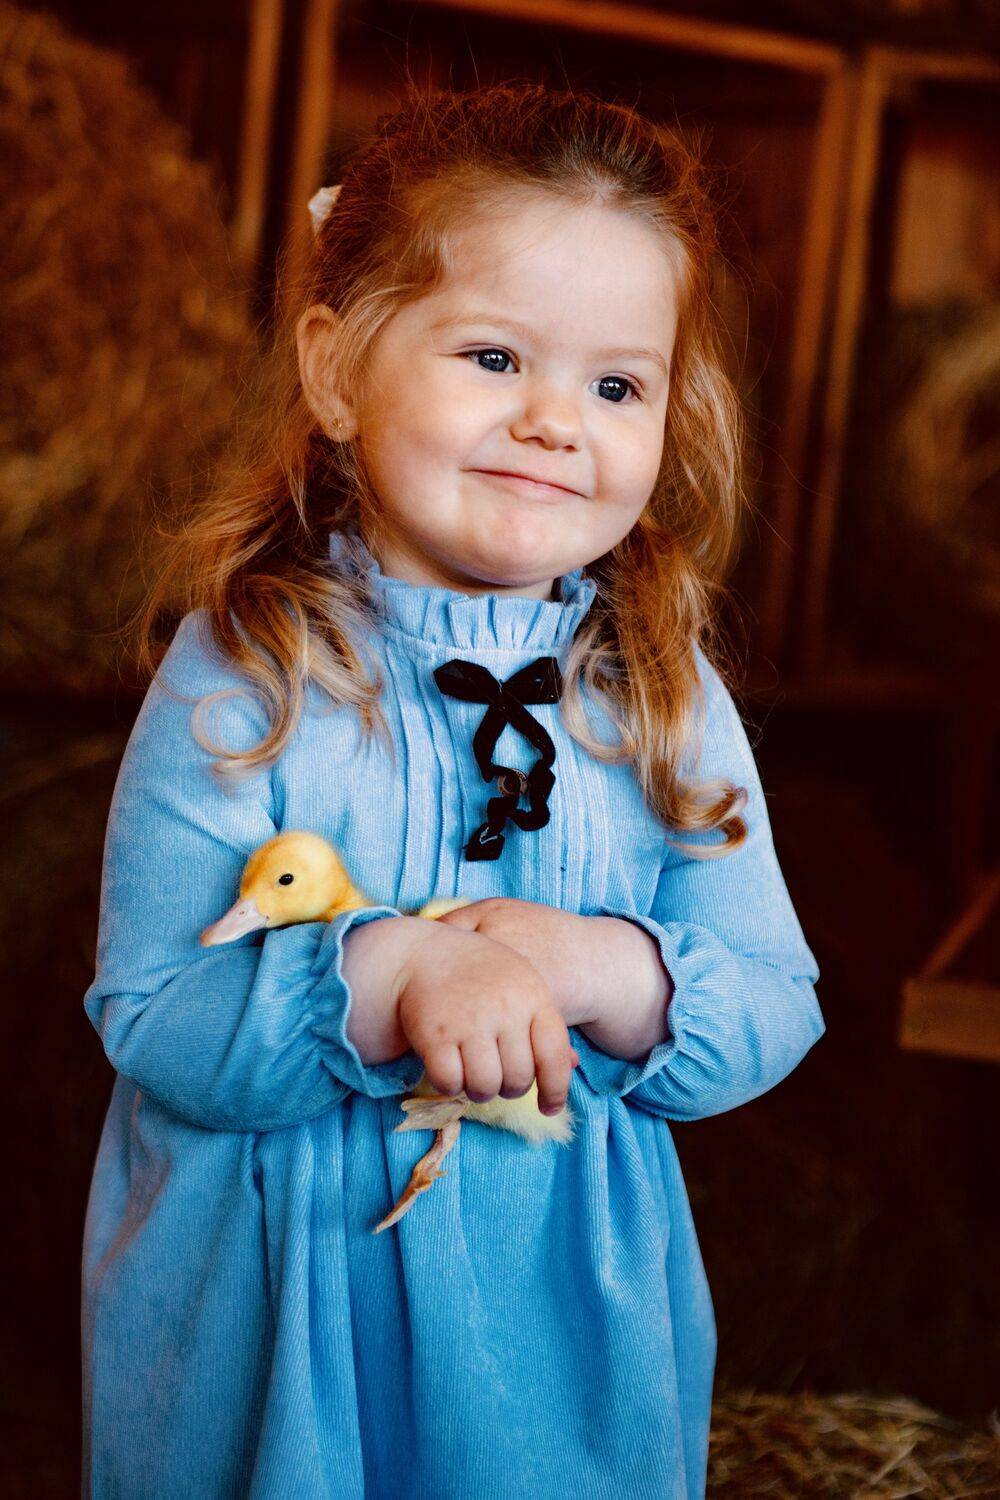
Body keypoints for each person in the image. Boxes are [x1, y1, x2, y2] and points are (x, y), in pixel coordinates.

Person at [81, 83, 825, 1499]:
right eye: (493, 357)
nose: (555, 423)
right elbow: (155, 1006)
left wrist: (605, 967)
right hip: (285, 1316)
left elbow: (776, 1001)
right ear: (336, 370)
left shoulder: (663, 693)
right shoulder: (250, 670)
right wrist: (393, 973)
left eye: (617, 387)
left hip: (563, 1327)